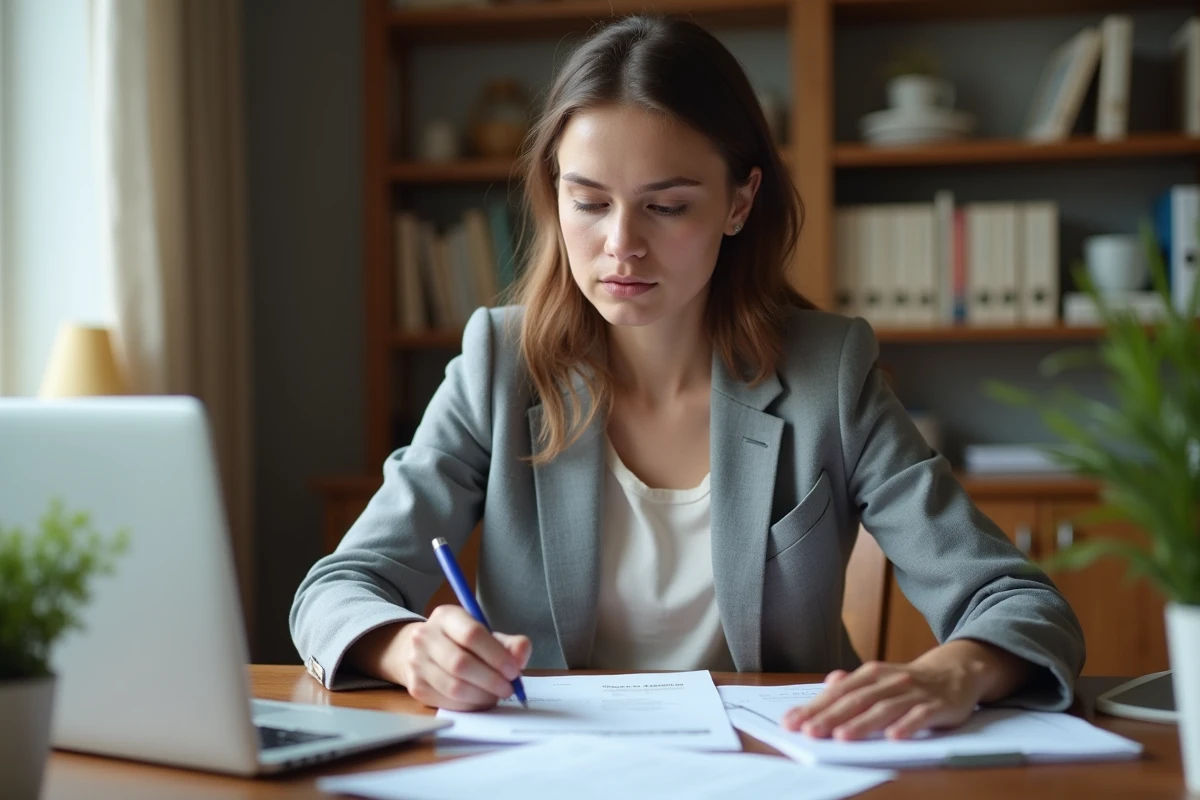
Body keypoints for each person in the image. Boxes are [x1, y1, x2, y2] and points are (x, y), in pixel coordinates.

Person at [291, 14, 1084, 742]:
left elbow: (1022, 604)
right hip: (545, 767)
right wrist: (405, 648)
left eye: (666, 207)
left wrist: (954, 670)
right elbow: (337, 586)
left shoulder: (826, 373)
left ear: (740, 202)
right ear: (554, 197)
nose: (621, 245)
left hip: (770, 767)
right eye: (589, 202)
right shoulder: (502, 363)